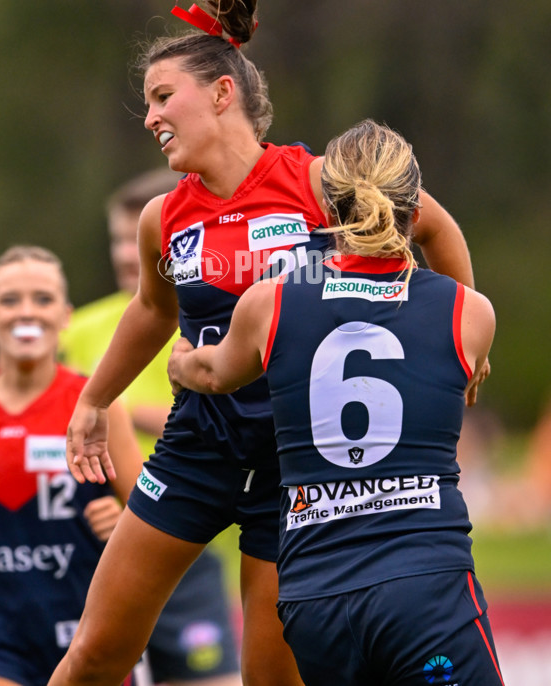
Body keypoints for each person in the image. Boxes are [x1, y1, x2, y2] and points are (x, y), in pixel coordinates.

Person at [49, 0, 484, 686]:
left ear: (221, 94)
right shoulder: (162, 218)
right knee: (97, 650)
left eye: (161, 97)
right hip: (198, 446)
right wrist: (93, 401)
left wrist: (457, 349)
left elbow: (435, 230)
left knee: (270, 679)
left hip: (301, 470)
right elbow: (154, 311)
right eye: (145, 102)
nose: (149, 117)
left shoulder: (324, 181)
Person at [167, 119, 503, 686]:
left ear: (325, 209)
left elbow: (213, 372)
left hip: (315, 596)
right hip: (426, 590)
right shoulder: (469, 314)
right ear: (414, 209)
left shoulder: (270, 301)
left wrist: (180, 364)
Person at [61, 168, 242, 686]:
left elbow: (230, 414)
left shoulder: (208, 318)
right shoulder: (79, 329)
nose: (123, 254)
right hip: (90, 538)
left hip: (178, 530)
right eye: (116, 239)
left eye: (132, 239)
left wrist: (124, 413)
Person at [0, 246, 142, 686]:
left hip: (89, 629)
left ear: (65, 316)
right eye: (10, 300)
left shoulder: (98, 405)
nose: (26, 312)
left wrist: (124, 523)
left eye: (42, 298)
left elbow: (150, 512)